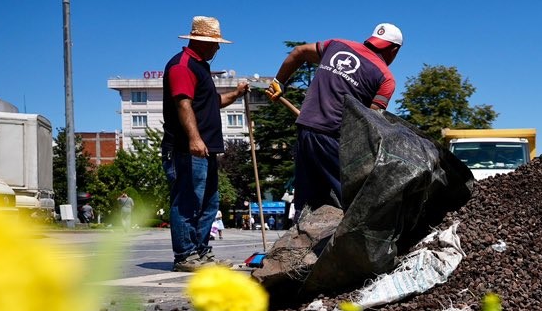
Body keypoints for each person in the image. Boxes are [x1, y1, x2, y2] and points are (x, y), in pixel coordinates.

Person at [266, 23, 403, 214]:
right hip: (333, 139)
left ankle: (301, 239)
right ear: (394, 50)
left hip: (305, 130)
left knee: (307, 203)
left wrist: (278, 81)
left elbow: (299, 52)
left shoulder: (337, 45)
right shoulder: (385, 77)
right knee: (354, 202)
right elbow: (370, 123)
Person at [162, 16, 248, 272]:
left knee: (209, 202)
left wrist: (235, 94)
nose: (218, 48)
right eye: (215, 43)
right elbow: (183, 102)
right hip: (186, 149)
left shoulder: (200, 68)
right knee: (187, 201)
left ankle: (200, 252)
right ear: (200, 41)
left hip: (206, 149)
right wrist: (194, 138)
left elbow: (211, 104)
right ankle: (185, 255)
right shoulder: (182, 66)